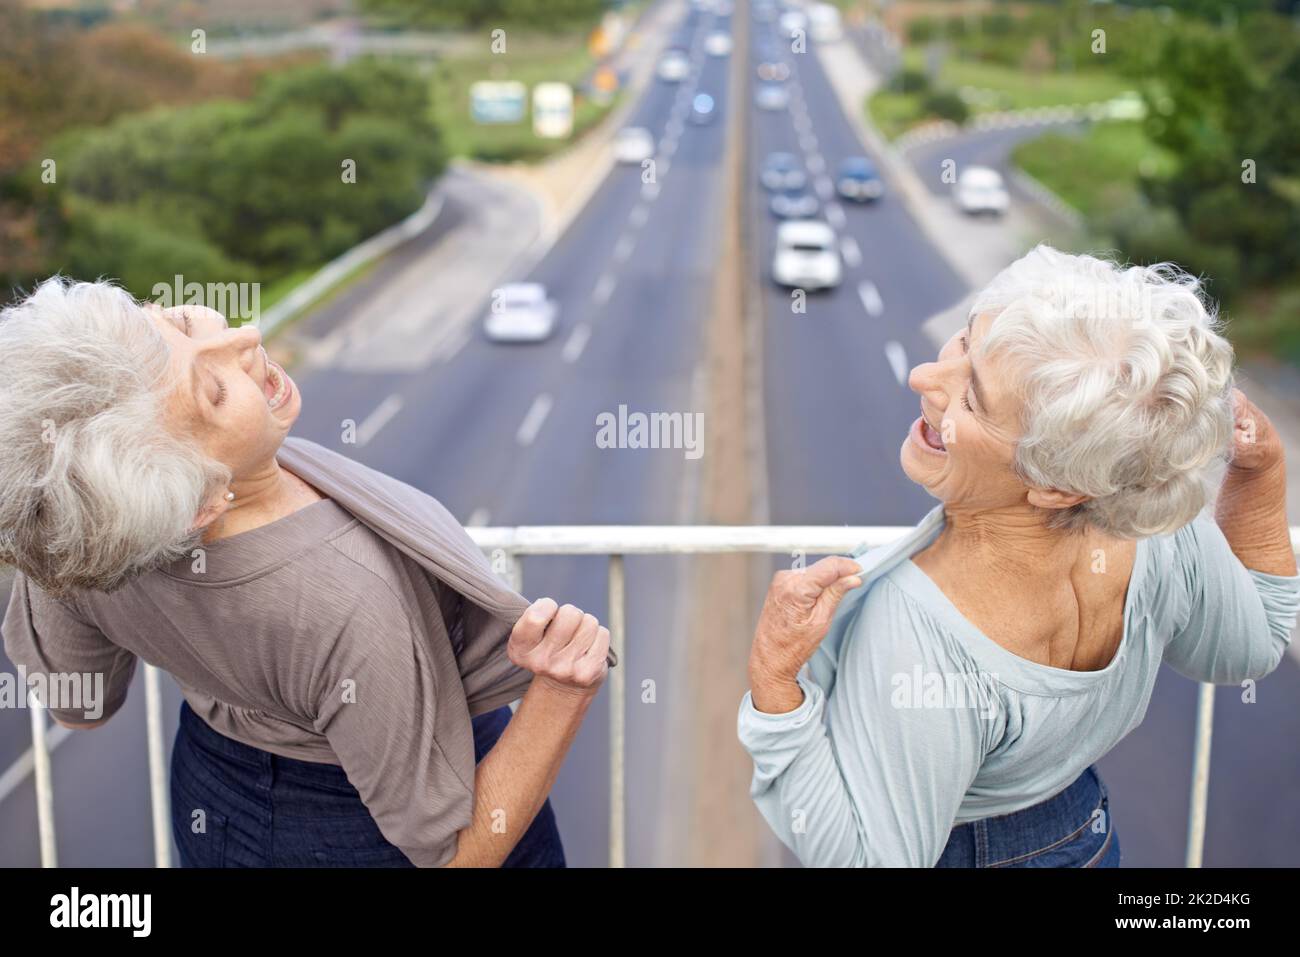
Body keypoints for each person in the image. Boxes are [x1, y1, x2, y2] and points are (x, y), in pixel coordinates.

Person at [1, 278, 610, 867]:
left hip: (214, 790)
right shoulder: (346, 603)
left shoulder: (75, 526)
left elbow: (78, 703)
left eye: (179, 321)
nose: (244, 337)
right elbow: (456, 855)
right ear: (197, 506)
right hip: (359, 828)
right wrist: (562, 690)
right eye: (214, 392)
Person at [739, 246, 1300, 867]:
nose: (925, 377)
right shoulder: (1157, 522)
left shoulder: (920, 631)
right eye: (963, 342)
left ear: (1057, 485)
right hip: (1086, 839)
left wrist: (775, 687)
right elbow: (1251, 647)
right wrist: (1262, 477)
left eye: (973, 400)